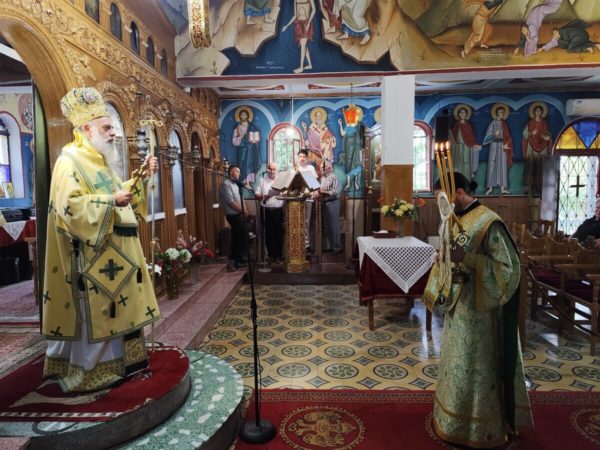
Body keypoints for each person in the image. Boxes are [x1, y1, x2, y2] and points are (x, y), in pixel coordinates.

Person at [42, 87, 160, 393]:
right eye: (107, 127)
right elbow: (69, 207)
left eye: (112, 128)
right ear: (86, 129)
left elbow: (119, 193)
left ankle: (124, 365)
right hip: (91, 260)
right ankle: (93, 371)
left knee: (120, 309)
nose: (113, 133)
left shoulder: (99, 161)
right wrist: (110, 201)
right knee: (100, 314)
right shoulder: (69, 161)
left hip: (116, 256)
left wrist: (141, 177)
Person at [426, 172, 532, 448]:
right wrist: (443, 258)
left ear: (459, 193)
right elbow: (451, 254)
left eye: (443, 197)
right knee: (456, 365)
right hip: (458, 308)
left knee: (475, 368)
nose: (441, 204)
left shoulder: (489, 221)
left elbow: (508, 269)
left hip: (482, 315)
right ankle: (452, 420)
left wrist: (469, 259)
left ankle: (480, 429)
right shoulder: (453, 219)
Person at [220, 164, 251, 271]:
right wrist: (242, 211)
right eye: (237, 171)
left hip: (239, 214)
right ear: (231, 172)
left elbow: (241, 198)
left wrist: (245, 210)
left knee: (242, 236)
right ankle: (233, 259)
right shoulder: (225, 184)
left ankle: (240, 258)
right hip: (232, 215)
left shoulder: (236, 185)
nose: (239, 173)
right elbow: (230, 202)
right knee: (237, 237)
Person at [255, 162, 284, 265]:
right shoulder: (262, 180)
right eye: (270, 169)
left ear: (276, 170)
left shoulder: (280, 181)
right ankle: (271, 256)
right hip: (266, 210)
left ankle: (278, 256)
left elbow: (285, 193)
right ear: (268, 169)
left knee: (278, 234)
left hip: (278, 210)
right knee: (268, 234)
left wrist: (280, 193)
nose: (272, 171)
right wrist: (264, 196)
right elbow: (257, 194)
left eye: (274, 169)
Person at [522, 103, 552, 196]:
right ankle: (528, 187)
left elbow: (546, 133)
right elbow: (525, 134)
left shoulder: (544, 123)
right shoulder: (530, 123)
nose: (538, 112)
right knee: (530, 166)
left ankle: (539, 187)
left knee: (539, 166)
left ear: (542, 112)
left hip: (542, 146)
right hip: (531, 146)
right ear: (534, 112)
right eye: (536, 110)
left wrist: (546, 136)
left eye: (539, 110)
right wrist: (531, 133)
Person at [483, 104, 513, 195]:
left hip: (502, 146)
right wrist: (494, 135)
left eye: (503, 112)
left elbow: (508, 137)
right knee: (492, 165)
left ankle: (503, 188)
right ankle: (490, 187)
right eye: (500, 112)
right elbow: (486, 139)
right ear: (496, 113)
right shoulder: (492, 123)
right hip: (493, 146)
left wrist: (506, 144)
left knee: (502, 166)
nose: (502, 113)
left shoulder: (504, 124)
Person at [282, 0, 316, 74]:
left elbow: (314, 10)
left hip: (306, 24)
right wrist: (286, 26)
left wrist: (309, 23)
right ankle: (310, 65)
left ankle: (301, 67)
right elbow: (295, 16)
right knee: (304, 46)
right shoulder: (295, 1)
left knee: (303, 46)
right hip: (299, 25)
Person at [302, 106, 337, 176]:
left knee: (328, 144)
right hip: (315, 147)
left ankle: (325, 172)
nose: (319, 117)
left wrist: (331, 138)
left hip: (324, 149)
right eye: (317, 116)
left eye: (320, 116)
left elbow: (329, 136)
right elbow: (308, 136)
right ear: (315, 117)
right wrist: (305, 129)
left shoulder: (324, 127)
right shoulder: (312, 127)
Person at [450, 104, 481, 180]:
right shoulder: (456, 124)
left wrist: (475, 144)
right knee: (458, 162)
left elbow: (471, 136)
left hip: (467, 146)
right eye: (461, 113)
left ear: (466, 114)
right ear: (458, 114)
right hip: (458, 147)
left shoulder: (468, 125)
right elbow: (452, 135)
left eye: (464, 112)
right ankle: (458, 179)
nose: (462, 114)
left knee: (466, 162)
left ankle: (467, 179)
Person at [297, 148, 319, 253]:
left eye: (304, 157)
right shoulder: (295, 169)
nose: (302, 158)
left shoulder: (310, 168)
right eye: (300, 156)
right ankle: (297, 244)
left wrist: (316, 192)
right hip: (297, 199)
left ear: (307, 158)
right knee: (297, 222)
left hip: (308, 198)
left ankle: (306, 245)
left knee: (306, 222)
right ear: (298, 157)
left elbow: (314, 184)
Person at [232, 106, 260, 185]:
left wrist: (255, 141)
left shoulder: (251, 126)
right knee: (241, 165)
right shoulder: (237, 127)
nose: (243, 116)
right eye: (242, 115)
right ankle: (242, 181)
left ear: (248, 116)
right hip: (241, 150)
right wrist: (239, 138)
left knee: (250, 165)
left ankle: (248, 182)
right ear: (239, 116)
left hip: (250, 149)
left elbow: (255, 137)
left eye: (245, 115)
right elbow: (234, 141)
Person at [338, 111, 364, 193]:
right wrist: (340, 124)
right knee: (349, 164)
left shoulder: (358, 126)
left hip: (356, 147)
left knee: (355, 164)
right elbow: (342, 133)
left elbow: (361, 137)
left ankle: (356, 183)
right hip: (348, 147)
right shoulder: (348, 125)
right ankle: (348, 184)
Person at [320, 160, 342, 254]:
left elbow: (335, 192)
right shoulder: (323, 178)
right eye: (323, 167)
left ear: (329, 167)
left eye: (324, 166)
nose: (323, 168)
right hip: (325, 203)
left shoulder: (333, 177)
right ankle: (331, 246)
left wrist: (322, 192)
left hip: (333, 202)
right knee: (327, 226)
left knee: (334, 226)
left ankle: (337, 247)